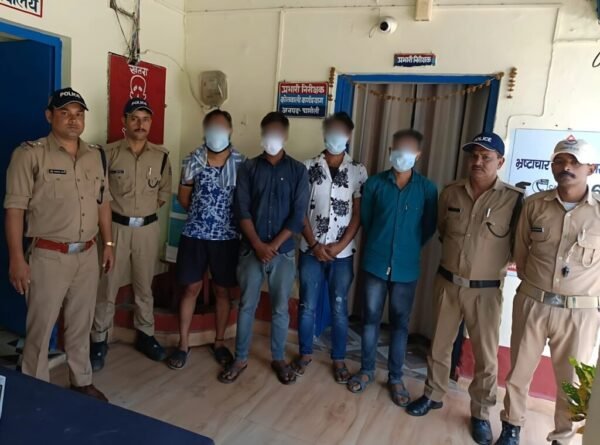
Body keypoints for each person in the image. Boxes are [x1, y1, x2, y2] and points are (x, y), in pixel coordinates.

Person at [406, 132, 524, 445]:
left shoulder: (513, 200)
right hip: (447, 282)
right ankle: (433, 395)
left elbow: (517, 246)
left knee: (486, 357)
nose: (478, 161)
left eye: (486, 157)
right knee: (439, 346)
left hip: (485, 291)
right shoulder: (450, 193)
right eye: (474, 155)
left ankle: (481, 413)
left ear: (500, 161)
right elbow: (444, 231)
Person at [4, 88, 113, 401]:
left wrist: (108, 243)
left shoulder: (95, 155)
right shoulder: (30, 154)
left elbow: (103, 202)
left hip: (87, 254)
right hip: (48, 256)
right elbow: (14, 210)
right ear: (49, 116)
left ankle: (81, 381)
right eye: (65, 113)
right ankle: (35, 389)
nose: (73, 120)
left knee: (80, 324)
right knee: (40, 329)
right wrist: (16, 259)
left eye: (79, 114)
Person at [495, 137, 600, 445]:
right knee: (519, 373)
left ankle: (562, 438)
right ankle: (511, 426)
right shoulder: (534, 205)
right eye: (560, 161)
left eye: (574, 162)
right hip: (533, 303)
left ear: (591, 169)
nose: (566, 167)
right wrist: (535, 287)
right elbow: (521, 252)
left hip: (579, 313)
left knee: (572, 383)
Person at [347, 129, 438, 407]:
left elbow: (428, 227)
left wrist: (406, 248)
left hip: (406, 269)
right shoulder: (375, 184)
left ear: (418, 155)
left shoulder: (427, 189)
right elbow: (368, 220)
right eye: (398, 149)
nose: (402, 155)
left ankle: (396, 378)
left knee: (400, 324)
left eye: (409, 150)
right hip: (375, 263)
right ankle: (366, 370)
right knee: (370, 319)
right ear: (389, 150)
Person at [218, 111, 309, 385]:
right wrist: (258, 245)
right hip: (251, 250)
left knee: (280, 308)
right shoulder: (248, 168)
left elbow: (298, 216)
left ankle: (278, 358)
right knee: (247, 305)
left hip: (283, 252)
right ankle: (240, 358)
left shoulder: (298, 171)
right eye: (267, 132)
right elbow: (241, 209)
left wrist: (273, 246)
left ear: (286, 135)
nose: (272, 138)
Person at [89, 99, 172, 371]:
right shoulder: (107, 154)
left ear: (151, 123)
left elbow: (162, 194)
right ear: (124, 121)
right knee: (107, 285)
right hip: (115, 229)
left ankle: (146, 334)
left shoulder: (161, 156)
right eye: (134, 118)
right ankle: (99, 338)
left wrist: (141, 213)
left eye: (145, 119)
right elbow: (99, 195)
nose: (140, 124)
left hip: (147, 230)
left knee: (144, 286)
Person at [167, 109, 245, 370]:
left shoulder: (242, 164)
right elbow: (184, 197)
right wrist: (203, 216)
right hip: (195, 235)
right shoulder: (193, 160)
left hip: (227, 238)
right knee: (191, 289)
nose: (216, 133)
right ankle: (183, 344)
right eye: (211, 127)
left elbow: (244, 203)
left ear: (230, 130)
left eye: (221, 127)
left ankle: (219, 342)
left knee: (222, 291)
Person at [292, 112, 367, 383]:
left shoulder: (358, 170)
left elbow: (358, 214)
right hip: (310, 250)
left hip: (342, 254)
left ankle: (338, 359)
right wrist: (314, 244)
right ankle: (305, 354)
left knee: (338, 307)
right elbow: (300, 211)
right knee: (307, 306)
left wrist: (339, 246)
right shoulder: (306, 167)